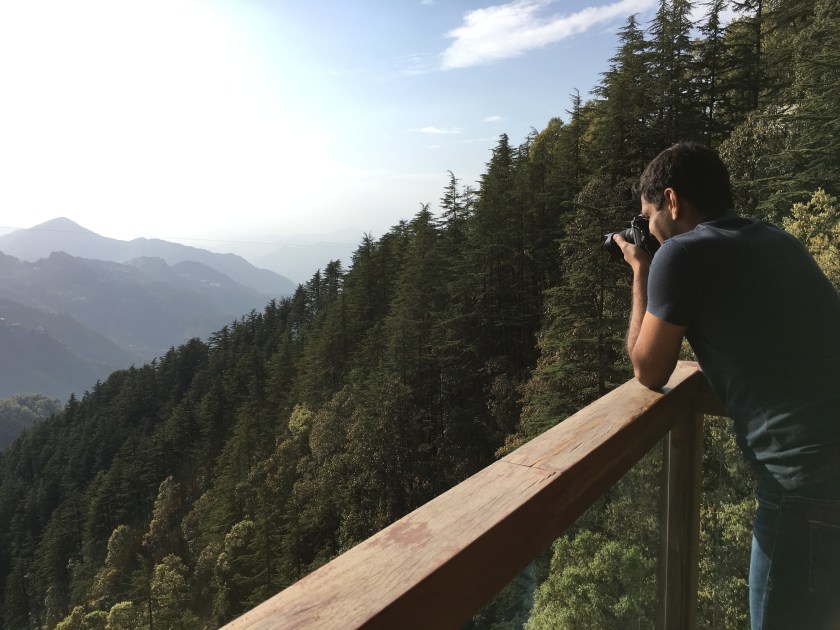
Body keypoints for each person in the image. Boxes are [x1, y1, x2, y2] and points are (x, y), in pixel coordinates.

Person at [613, 142, 840, 629]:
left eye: (648, 215)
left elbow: (648, 370)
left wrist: (642, 269)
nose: (648, 229)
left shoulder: (680, 254)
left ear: (672, 201)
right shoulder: (775, 238)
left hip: (805, 485)